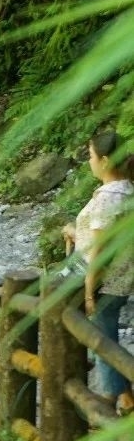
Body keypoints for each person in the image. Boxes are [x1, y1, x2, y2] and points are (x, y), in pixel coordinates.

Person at [62, 130, 134, 416]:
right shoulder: (127, 189)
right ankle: (122, 394)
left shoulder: (108, 197)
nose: (89, 162)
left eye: (90, 156)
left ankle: (114, 399)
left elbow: (101, 250)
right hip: (122, 276)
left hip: (104, 279)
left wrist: (90, 290)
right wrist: (74, 232)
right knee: (106, 335)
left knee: (101, 339)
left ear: (104, 161)